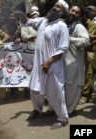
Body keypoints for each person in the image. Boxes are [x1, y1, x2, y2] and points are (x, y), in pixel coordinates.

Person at [14, 0, 70, 129]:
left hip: (53, 65)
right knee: (34, 89)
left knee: (54, 92)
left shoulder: (61, 26)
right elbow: (28, 22)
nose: (55, 8)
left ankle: (62, 118)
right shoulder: (43, 21)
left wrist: (48, 62)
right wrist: (22, 15)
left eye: (59, 7)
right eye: (55, 5)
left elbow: (63, 48)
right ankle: (37, 110)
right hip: (39, 63)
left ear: (63, 13)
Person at [64, 4, 90, 117]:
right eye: (72, 10)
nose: (73, 13)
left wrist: (69, 39)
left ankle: (70, 110)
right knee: (63, 86)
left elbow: (86, 41)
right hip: (62, 61)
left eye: (77, 12)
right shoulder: (62, 25)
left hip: (74, 62)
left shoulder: (79, 27)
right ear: (68, 11)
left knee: (72, 88)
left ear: (79, 15)